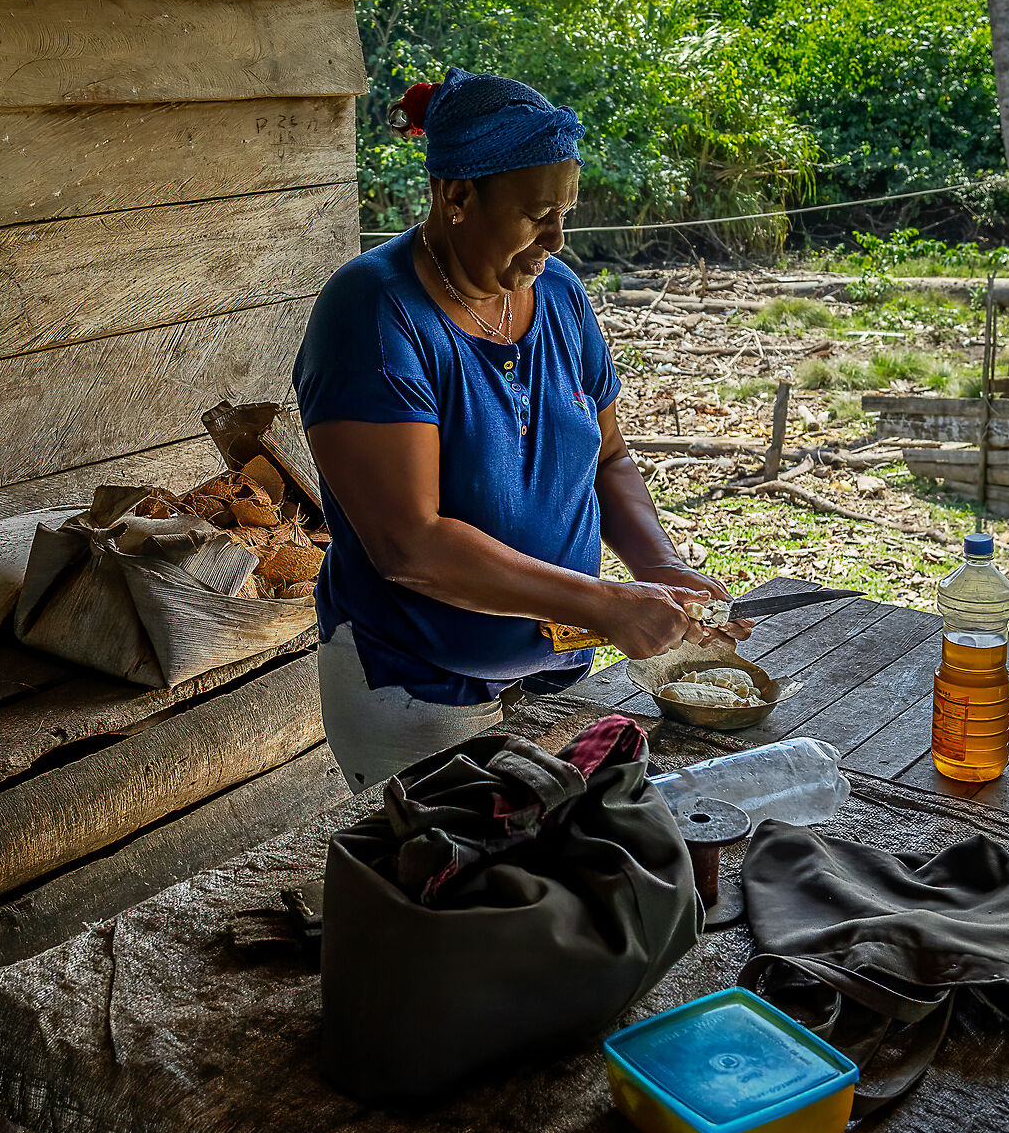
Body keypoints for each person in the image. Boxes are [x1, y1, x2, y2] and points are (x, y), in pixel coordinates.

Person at [294, 68, 749, 793]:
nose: (557, 239)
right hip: (418, 688)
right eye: (538, 214)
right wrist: (601, 603)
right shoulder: (374, 314)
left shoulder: (559, 296)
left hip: (561, 669)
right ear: (458, 196)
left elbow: (609, 457)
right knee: (454, 881)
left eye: (565, 213)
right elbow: (411, 547)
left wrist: (656, 565)